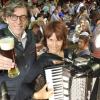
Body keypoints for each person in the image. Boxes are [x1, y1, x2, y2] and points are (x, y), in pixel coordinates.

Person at [0, 1, 52, 100]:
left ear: (27, 20)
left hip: (31, 93)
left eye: (23, 17)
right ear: (6, 18)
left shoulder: (30, 35)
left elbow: (31, 63)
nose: (19, 22)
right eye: (14, 16)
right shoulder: (1, 37)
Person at [35, 21, 72, 100]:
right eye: (51, 40)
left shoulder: (69, 54)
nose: (54, 45)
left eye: (58, 40)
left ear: (63, 40)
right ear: (46, 40)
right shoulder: (42, 61)